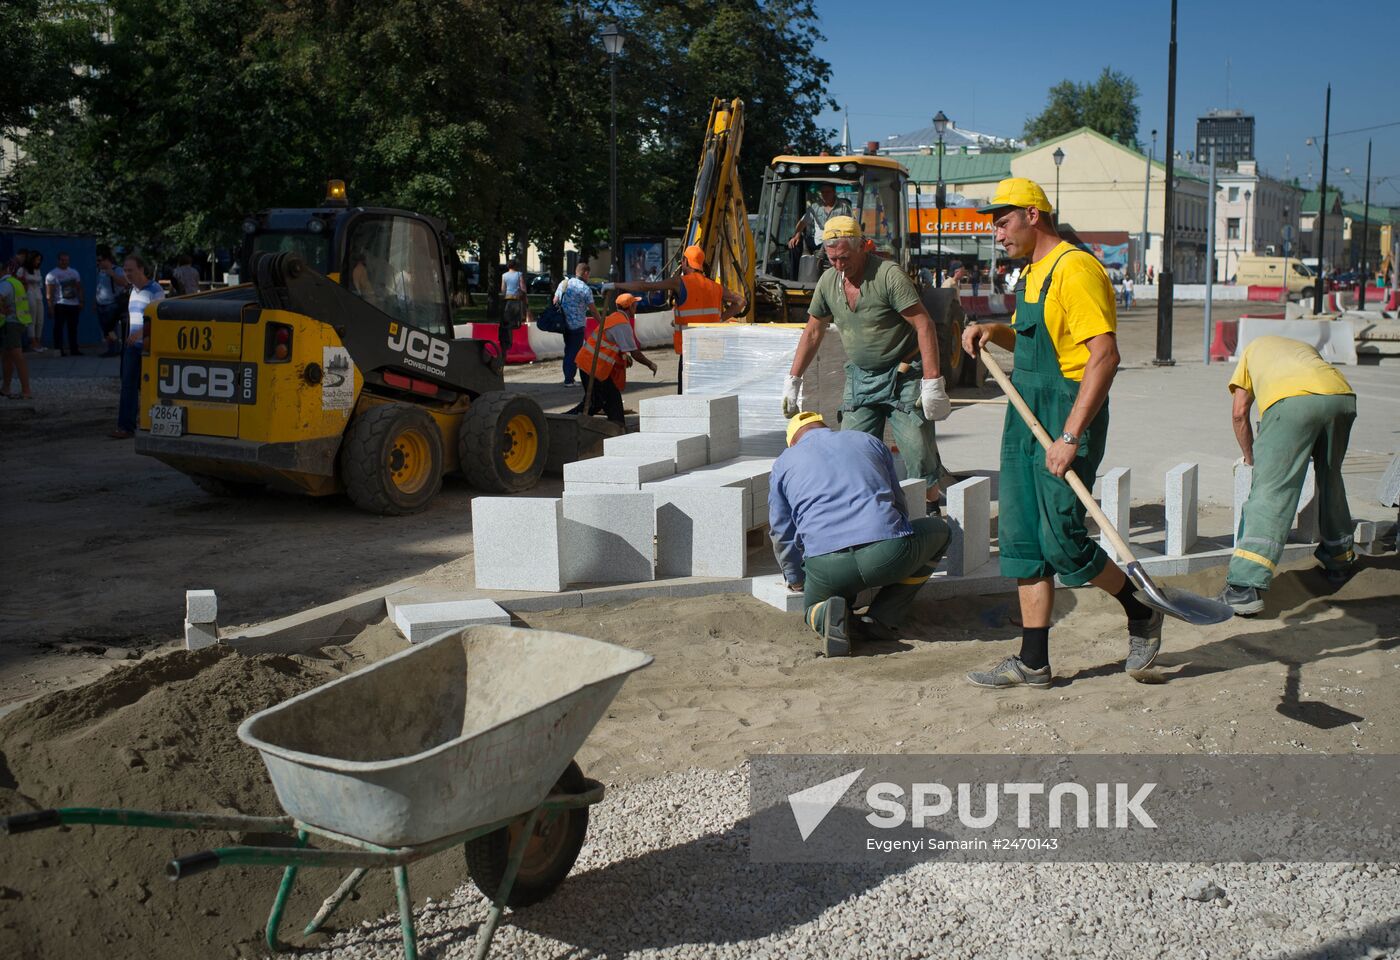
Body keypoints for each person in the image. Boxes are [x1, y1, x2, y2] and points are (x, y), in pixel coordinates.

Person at [960, 177, 1161, 688]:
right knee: (1023, 540)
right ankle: (1033, 662)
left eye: (1002, 223)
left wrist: (1070, 436)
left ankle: (1140, 610)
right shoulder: (1031, 274)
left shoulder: (1075, 269)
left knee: (1065, 541)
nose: (998, 236)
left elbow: (1105, 355)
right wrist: (994, 333)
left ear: (1032, 214)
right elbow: (1036, 338)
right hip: (1026, 410)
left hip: (1067, 413)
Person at [783, 216, 952, 508]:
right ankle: (870, 514)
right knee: (852, 452)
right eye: (832, 258)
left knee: (918, 452)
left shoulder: (888, 276)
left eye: (845, 257)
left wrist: (932, 381)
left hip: (903, 377)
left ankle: (931, 508)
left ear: (863, 246)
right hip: (861, 378)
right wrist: (793, 380)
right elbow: (813, 331)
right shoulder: (828, 282)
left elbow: (924, 324)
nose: (839, 265)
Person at [769, 411, 950, 657]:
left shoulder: (783, 463)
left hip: (827, 566)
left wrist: (796, 577)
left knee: (812, 606)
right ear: (826, 427)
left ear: (792, 441)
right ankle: (883, 617)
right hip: (887, 553)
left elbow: (782, 530)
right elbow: (897, 500)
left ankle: (824, 614)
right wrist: (896, 539)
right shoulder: (867, 441)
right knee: (941, 532)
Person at [1218, 336, 1357, 615]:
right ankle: (1339, 559)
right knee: (1331, 479)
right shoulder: (1302, 348)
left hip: (1292, 403)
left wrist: (1251, 458)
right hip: (1341, 397)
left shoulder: (1251, 351)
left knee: (1272, 490)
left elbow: (1239, 413)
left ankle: (1245, 586)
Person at [610, 244, 746, 393]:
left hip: (690, 348)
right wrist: (720, 319)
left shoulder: (680, 282)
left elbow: (644, 287)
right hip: (712, 347)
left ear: (686, 262)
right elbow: (741, 301)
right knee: (709, 392)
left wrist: (615, 285)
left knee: (687, 394)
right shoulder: (715, 287)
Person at [566, 293, 657, 425]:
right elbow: (635, 353)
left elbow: (614, 344)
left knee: (596, 402)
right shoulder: (622, 324)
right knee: (602, 402)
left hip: (589, 365)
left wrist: (624, 357)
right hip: (593, 368)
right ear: (630, 307)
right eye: (635, 304)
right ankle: (568, 421)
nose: (636, 306)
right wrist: (650, 364)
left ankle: (613, 425)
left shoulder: (614, 318)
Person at [111, 254, 164, 440]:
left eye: (130, 270)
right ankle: (126, 426)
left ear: (141, 269)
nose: (127, 274)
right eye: (125, 270)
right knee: (128, 386)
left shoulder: (155, 290)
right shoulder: (133, 291)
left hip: (148, 347)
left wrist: (140, 334)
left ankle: (153, 423)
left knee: (150, 387)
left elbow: (159, 319)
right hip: (132, 347)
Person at [552, 263, 601, 387]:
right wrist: (602, 322)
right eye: (588, 274)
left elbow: (555, 301)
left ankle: (569, 377)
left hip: (563, 323)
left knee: (569, 350)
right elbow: (593, 309)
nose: (589, 276)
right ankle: (569, 380)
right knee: (573, 352)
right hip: (577, 325)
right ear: (585, 273)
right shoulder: (584, 288)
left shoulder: (564, 283)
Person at [788, 183, 853, 255]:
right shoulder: (815, 206)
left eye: (828, 192)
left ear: (834, 192)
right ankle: (796, 266)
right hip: (818, 242)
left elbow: (849, 224)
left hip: (836, 241)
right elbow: (803, 222)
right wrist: (796, 236)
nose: (825, 194)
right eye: (823, 192)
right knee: (794, 244)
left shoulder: (844, 206)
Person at [1, 258, 33, 400]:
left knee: (17, 357)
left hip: (11, 323)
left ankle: (26, 390)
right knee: (7, 357)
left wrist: (2, 310)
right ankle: (6, 388)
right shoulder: (15, 282)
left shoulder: (5, 284)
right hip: (19, 322)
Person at [45, 251, 84, 356]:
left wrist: (81, 301)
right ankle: (59, 349)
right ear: (58, 260)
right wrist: (50, 307)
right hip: (60, 304)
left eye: (66, 260)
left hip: (73, 304)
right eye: (62, 260)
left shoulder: (74, 272)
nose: (64, 262)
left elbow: (79, 288)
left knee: (73, 328)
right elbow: (49, 293)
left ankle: (74, 349)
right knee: (58, 328)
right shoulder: (52, 274)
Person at [94, 250, 129, 357]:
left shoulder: (117, 270)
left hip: (112, 304)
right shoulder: (99, 271)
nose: (98, 262)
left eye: (100, 260)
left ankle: (114, 349)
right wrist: (94, 302)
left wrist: (113, 275)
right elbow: (98, 288)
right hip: (100, 303)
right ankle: (113, 347)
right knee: (106, 329)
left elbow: (124, 283)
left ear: (107, 260)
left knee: (111, 328)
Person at [499, 259, 529, 360]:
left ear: (508, 266)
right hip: (517, 300)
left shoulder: (504, 276)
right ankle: (513, 344)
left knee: (507, 323)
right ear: (516, 266)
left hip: (507, 301)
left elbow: (503, 289)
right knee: (516, 323)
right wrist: (525, 298)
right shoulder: (519, 274)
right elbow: (523, 288)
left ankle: (506, 346)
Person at [17, 251, 46, 353]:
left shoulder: (37, 270)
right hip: (29, 295)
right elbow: (20, 281)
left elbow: (40, 280)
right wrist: (34, 279)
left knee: (40, 320)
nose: (38, 262)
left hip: (38, 295)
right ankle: (32, 342)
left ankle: (38, 341)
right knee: (31, 319)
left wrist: (33, 279)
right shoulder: (22, 269)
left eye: (39, 260)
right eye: (37, 259)